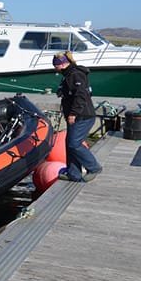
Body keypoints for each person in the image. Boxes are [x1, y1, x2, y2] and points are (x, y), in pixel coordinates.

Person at [52, 51, 102, 182]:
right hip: (74, 115)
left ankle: (94, 167)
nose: (54, 68)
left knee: (74, 144)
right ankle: (73, 173)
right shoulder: (68, 75)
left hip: (82, 116)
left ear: (61, 64)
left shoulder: (76, 74)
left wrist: (73, 113)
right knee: (69, 145)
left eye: (55, 65)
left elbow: (81, 96)